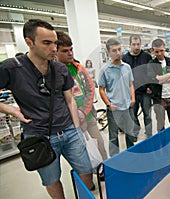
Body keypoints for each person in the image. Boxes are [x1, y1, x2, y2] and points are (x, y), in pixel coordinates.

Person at [0, 19, 94, 199]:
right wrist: (11, 110)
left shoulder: (60, 69)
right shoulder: (11, 68)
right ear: (29, 42)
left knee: (86, 170)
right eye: (46, 43)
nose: (53, 48)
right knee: (51, 179)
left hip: (69, 130)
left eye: (54, 43)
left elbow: (70, 99)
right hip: (39, 136)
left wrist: (76, 126)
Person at [55, 31, 108, 164]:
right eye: (65, 51)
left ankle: (106, 168)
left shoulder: (79, 68)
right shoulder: (54, 72)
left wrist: (83, 111)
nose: (70, 53)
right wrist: (75, 115)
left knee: (100, 143)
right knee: (80, 152)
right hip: (71, 123)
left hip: (88, 115)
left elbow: (90, 89)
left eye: (71, 49)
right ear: (55, 52)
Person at [98, 38, 135, 157]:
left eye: (119, 49)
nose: (118, 53)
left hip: (127, 106)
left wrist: (133, 98)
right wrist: (109, 104)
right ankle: (115, 159)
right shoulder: (105, 70)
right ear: (108, 53)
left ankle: (132, 155)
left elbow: (131, 84)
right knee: (113, 137)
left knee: (130, 134)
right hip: (113, 109)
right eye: (114, 51)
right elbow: (101, 89)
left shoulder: (127, 67)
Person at [122, 34, 153, 140]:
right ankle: (135, 132)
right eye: (134, 44)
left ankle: (149, 133)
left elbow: (151, 73)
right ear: (129, 45)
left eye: (138, 44)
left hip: (145, 91)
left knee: (147, 114)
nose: (136, 47)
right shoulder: (124, 59)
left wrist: (150, 86)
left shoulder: (147, 57)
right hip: (132, 92)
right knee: (133, 114)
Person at [147, 38, 170, 132]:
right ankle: (163, 144)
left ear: (165, 48)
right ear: (153, 51)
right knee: (160, 124)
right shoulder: (151, 64)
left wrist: (161, 78)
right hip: (159, 98)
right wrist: (169, 75)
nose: (159, 54)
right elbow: (153, 79)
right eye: (156, 51)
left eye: (161, 51)